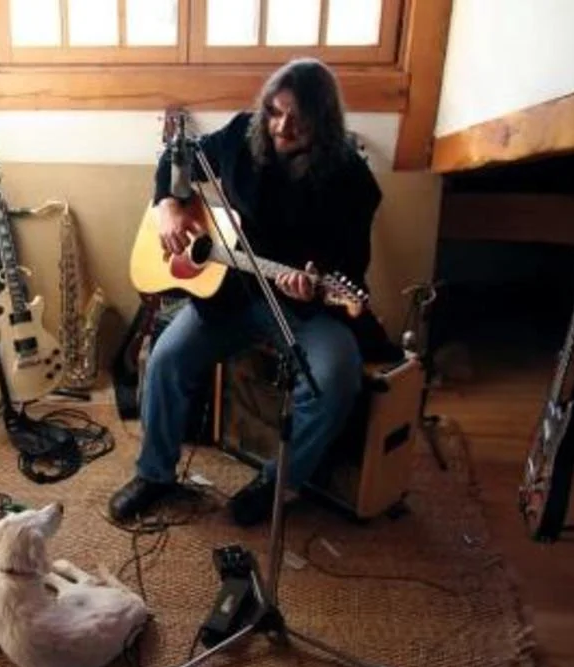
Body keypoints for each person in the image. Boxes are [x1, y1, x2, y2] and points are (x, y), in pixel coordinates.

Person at [109, 57, 383, 527]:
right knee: (166, 359)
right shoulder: (242, 133)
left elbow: (350, 266)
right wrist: (169, 205)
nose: (280, 128)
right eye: (274, 112)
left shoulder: (352, 180)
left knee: (336, 379)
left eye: (298, 119)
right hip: (231, 293)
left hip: (306, 309)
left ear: (324, 122)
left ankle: (279, 483)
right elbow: (177, 157)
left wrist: (313, 286)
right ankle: (154, 474)